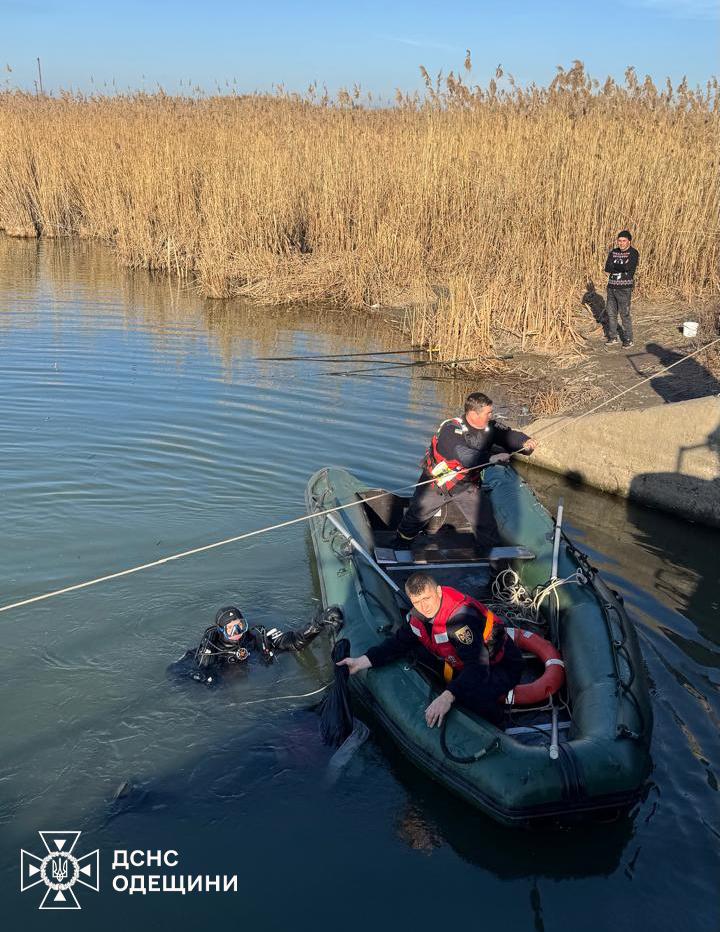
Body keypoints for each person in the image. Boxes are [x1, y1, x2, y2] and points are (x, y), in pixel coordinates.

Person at [337, 572, 524, 726]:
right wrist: (361, 661)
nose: (424, 606)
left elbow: (477, 668)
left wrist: (448, 696)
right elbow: (398, 643)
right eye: (417, 601)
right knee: (411, 652)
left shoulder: (460, 622)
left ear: (439, 592)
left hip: (500, 666)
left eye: (427, 598)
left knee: (473, 696)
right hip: (456, 662)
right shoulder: (417, 617)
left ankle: (499, 725)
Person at [393, 392, 536, 550]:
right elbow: (466, 457)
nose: (491, 416)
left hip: (466, 486)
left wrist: (524, 441)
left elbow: (508, 435)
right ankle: (400, 546)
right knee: (414, 519)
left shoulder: (490, 427)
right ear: (474, 413)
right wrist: (491, 458)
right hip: (437, 485)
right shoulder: (450, 430)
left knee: (486, 524)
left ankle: (497, 569)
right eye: (488, 413)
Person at [171, 604, 343, 686]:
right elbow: (174, 672)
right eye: (231, 629)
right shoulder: (210, 651)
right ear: (222, 631)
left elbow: (293, 642)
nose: (238, 632)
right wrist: (201, 677)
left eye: (241, 625)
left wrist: (318, 624)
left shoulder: (255, 639)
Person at [604, 230, 639, 348]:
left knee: (625, 314)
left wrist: (616, 266)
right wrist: (621, 267)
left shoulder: (633, 253)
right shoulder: (613, 252)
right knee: (611, 313)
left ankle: (628, 339)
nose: (621, 243)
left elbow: (628, 267)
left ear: (629, 241)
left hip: (624, 288)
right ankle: (613, 337)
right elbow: (607, 267)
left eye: (624, 241)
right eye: (619, 240)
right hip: (611, 287)